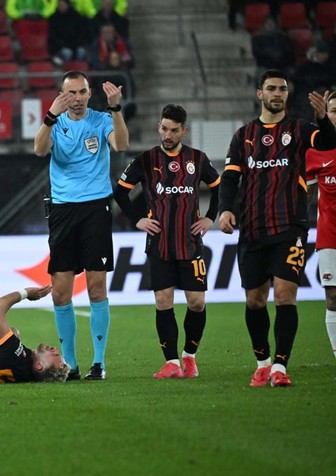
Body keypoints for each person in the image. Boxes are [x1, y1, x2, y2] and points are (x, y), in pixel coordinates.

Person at [218, 69, 336, 387]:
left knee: (285, 296)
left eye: (282, 89)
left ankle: (281, 367)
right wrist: (225, 209)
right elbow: (229, 178)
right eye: (271, 88)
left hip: (290, 227)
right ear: (260, 94)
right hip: (253, 229)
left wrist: (324, 118)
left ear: (287, 94)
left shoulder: (299, 129)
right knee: (255, 300)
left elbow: (328, 141)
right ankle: (263, 361)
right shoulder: (243, 135)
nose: (277, 93)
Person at [33, 70, 129, 380]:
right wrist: (49, 117)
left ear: (90, 94)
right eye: (70, 93)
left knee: (96, 287)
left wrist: (116, 109)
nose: (76, 98)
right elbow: (38, 149)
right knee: (60, 293)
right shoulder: (55, 121)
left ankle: (98, 363)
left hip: (96, 209)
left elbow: (122, 145)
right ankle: (70, 365)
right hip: (62, 211)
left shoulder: (101, 120)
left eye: (82, 92)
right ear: (61, 95)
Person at [114, 104, 220, 379]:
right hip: (159, 244)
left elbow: (220, 186)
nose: (168, 134)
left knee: (196, 302)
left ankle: (189, 356)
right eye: (164, 128)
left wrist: (211, 217)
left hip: (191, 243)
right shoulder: (146, 160)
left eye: (174, 130)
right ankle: (171, 362)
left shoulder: (197, 159)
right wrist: (138, 219)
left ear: (184, 130)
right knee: (163, 301)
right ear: (158, 127)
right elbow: (120, 192)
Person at [305, 94, 336, 367]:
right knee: (333, 296)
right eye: (334, 111)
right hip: (330, 235)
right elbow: (305, 192)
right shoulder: (317, 152)